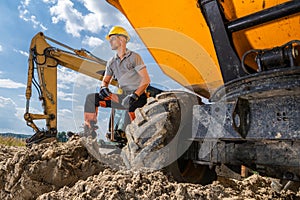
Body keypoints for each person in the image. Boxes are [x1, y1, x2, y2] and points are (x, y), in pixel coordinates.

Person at [83, 26, 151, 137]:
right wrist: (103, 88)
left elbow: (146, 80)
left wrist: (134, 96)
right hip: (122, 97)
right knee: (91, 99)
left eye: (112, 38)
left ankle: (137, 136)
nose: (110, 42)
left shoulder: (134, 57)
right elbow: (105, 81)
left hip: (138, 97)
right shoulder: (111, 62)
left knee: (131, 108)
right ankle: (89, 131)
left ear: (122, 39)